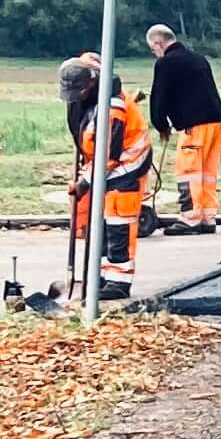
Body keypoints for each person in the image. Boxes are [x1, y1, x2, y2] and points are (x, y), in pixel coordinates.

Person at [72, 75, 155, 304]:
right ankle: (103, 276)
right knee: (103, 224)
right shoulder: (94, 99)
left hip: (127, 167)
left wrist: (84, 181)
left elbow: (108, 154)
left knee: (118, 225)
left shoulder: (112, 109)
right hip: (112, 167)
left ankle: (118, 281)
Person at [145, 23, 221, 228]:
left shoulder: (166, 63)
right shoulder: (198, 58)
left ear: (158, 43)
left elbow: (159, 98)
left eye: (153, 49)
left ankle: (190, 218)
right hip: (216, 123)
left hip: (194, 126)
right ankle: (208, 217)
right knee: (208, 173)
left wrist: (161, 125)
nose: (154, 53)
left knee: (189, 172)